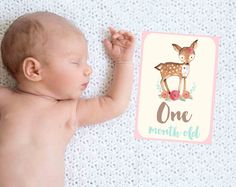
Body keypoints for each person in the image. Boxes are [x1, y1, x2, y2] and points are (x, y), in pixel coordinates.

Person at [0, 11, 134, 187]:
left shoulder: (69, 110)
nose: (88, 70)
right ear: (33, 70)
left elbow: (114, 103)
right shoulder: (6, 99)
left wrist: (123, 62)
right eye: (75, 62)